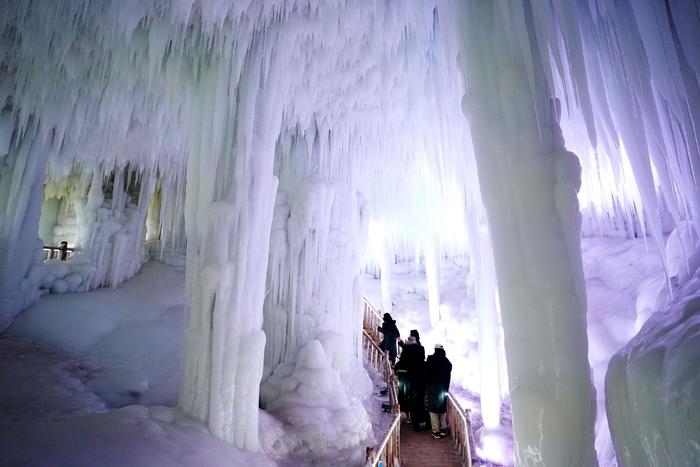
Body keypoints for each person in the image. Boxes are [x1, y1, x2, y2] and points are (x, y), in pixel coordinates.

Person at [425, 343, 452, 438]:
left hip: (432, 388)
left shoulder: (431, 359)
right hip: (443, 389)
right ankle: (443, 429)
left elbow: (426, 372)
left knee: (433, 409)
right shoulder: (446, 361)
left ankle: (435, 430)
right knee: (442, 408)